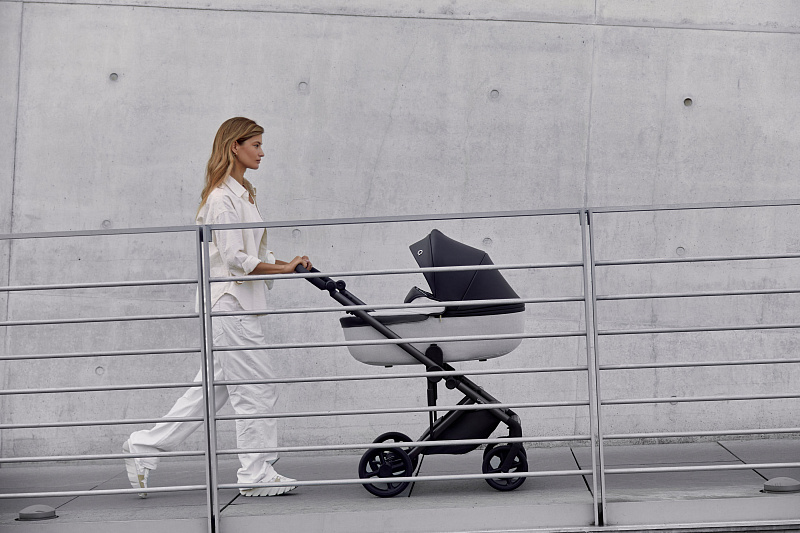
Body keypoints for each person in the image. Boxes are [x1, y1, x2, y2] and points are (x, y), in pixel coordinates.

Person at [123, 117, 311, 498]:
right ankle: (255, 474)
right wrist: (282, 268)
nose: (262, 152)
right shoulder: (222, 200)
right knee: (256, 389)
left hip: (236, 305)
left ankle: (143, 447)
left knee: (206, 395)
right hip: (230, 305)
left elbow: (253, 252)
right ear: (234, 147)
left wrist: (287, 264)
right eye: (255, 144)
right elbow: (235, 258)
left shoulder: (243, 193)